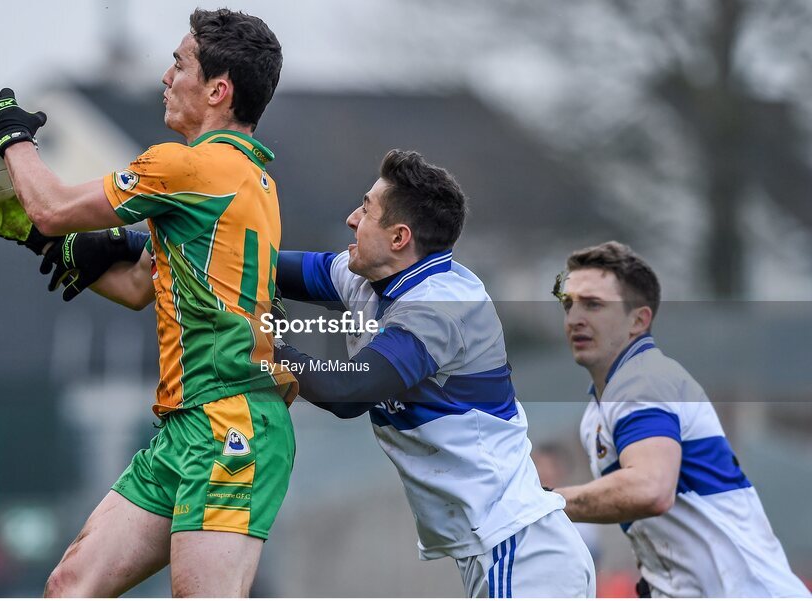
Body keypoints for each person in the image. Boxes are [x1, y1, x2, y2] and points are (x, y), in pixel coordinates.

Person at [0, 8, 296, 598]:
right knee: (69, 587)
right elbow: (138, 286)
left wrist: (11, 136)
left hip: (230, 425)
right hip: (186, 428)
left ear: (218, 89)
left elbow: (54, 207)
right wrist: (24, 229)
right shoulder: (244, 178)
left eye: (179, 63)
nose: (166, 77)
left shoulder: (186, 165)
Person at [269, 150, 595, 597]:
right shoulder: (370, 277)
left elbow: (347, 391)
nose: (350, 218)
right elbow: (258, 267)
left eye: (365, 209)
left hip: (519, 551)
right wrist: (147, 246)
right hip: (498, 550)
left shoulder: (441, 305)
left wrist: (266, 345)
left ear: (400, 237)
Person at [552, 241, 810, 597]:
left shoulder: (643, 381)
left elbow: (650, 489)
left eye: (594, 304)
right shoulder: (602, 407)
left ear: (638, 320)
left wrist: (544, 503)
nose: (575, 318)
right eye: (569, 304)